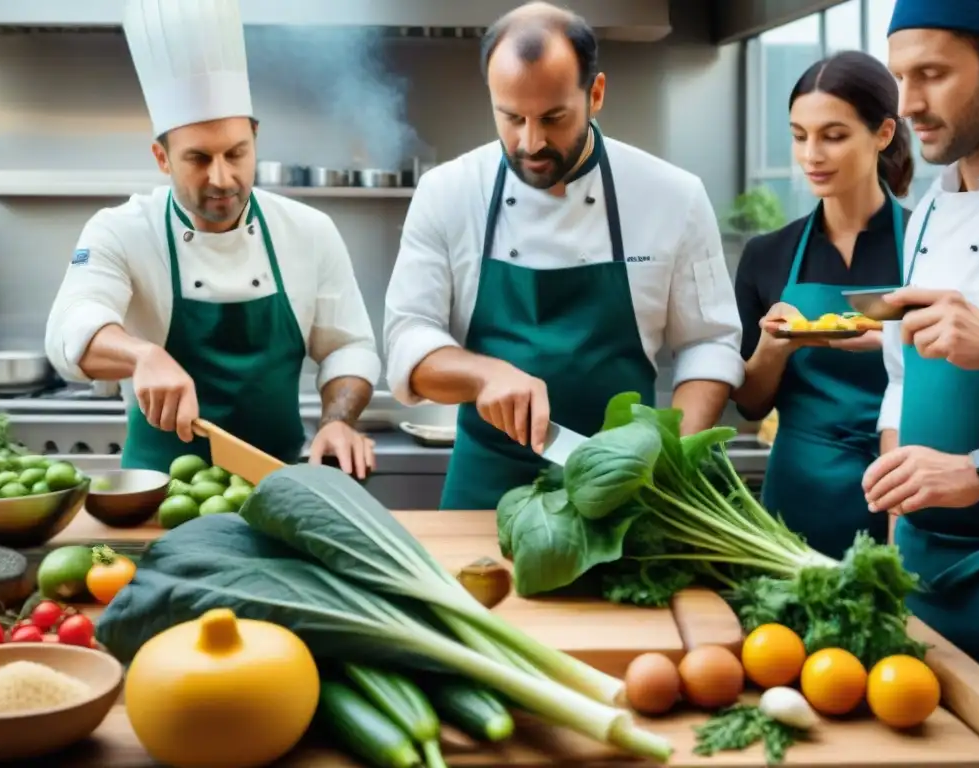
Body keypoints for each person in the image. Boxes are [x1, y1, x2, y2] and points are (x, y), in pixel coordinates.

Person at [382, 2, 744, 511]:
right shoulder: (447, 192)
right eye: (511, 118)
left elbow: (710, 344)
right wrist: (486, 375)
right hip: (485, 488)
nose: (531, 142)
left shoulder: (673, 196)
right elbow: (407, 341)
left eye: (553, 118)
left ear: (595, 94)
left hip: (626, 489)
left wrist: (669, 459)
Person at [44, 0, 381, 479]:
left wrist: (338, 421)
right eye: (198, 158)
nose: (222, 178)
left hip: (280, 488)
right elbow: (68, 331)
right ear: (162, 158)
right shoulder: (120, 229)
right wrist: (142, 354)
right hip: (159, 495)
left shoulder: (308, 230)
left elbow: (348, 347)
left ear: (255, 139)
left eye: (236, 153)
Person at [732, 51, 914, 560]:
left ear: (882, 134)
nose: (811, 154)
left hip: (900, 488)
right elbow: (750, 404)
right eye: (798, 135)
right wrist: (774, 348)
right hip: (796, 504)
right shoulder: (768, 255)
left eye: (833, 135)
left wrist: (894, 342)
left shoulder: (929, 245)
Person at [861, 0, 979, 672]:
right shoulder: (925, 220)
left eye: (933, 74)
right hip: (916, 578)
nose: (907, 104)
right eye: (900, 77)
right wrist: (891, 539)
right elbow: (902, 383)